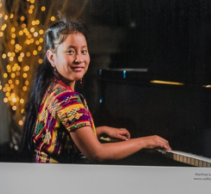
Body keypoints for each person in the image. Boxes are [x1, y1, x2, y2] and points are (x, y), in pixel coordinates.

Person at [20, 17, 171, 163]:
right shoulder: (67, 100)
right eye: (70, 52)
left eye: (83, 51)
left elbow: (62, 136)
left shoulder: (50, 88)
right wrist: (145, 141)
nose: (79, 59)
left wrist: (102, 130)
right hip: (61, 182)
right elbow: (98, 154)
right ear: (52, 58)